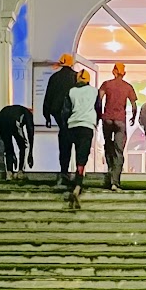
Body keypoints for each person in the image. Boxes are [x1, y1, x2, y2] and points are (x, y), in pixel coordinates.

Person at [63, 68, 101, 207]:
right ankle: (78, 183)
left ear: (78, 79)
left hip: (73, 125)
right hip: (87, 125)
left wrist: (65, 124)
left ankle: (69, 178)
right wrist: (96, 122)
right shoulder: (94, 91)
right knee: (82, 156)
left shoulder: (71, 91)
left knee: (72, 152)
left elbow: (66, 110)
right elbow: (98, 108)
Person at [97, 62, 138, 190]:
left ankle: (110, 169)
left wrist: (99, 115)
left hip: (108, 119)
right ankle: (115, 181)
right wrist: (133, 117)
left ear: (114, 72)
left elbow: (99, 100)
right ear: (123, 73)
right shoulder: (128, 87)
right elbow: (134, 105)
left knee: (108, 144)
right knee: (119, 151)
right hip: (120, 121)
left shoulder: (106, 84)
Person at [43, 54, 79, 186]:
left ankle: (64, 170)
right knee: (77, 142)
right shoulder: (76, 77)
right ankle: (77, 173)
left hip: (58, 114)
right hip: (74, 115)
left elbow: (48, 98)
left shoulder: (54, 77)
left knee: (64, 141)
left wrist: (46, 116)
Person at [0, 102, 34, 181]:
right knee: (23, 146)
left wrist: (12, 154)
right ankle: (20, 172)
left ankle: (9, 173)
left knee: (8, 147)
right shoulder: (28, 114)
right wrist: (30, 154)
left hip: (0, 120)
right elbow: (30, 133)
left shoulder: (18, 110)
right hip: (13, 120)